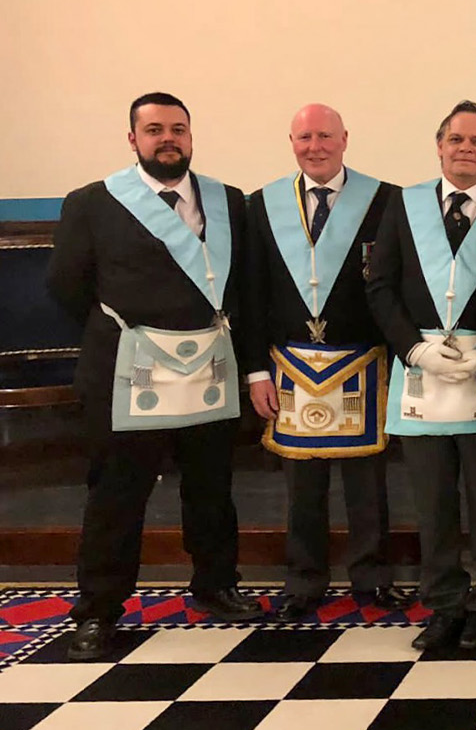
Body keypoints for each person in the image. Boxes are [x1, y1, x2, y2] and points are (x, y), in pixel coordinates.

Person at [48, 92, 261, 660]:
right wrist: (130, 337)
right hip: (128, 368)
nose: (168, 139)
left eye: (179, 129)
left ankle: (217, 584)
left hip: (209, 361)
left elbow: (241, 284)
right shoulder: (92, 203)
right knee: (118, 494)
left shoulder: (228, 201)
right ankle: (97, 609)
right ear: (133, 139)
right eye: (155, 130)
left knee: (212, 486)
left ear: (191, 135)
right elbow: (67, 286)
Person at [366, 100, 476, 652]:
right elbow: (381, 286)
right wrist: (413, 349)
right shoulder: (402, 205)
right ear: (439, 146)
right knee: (433, 502)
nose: (466, 149)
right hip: (422, 371)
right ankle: (443, 604)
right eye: (456, 140)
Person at [243, 103, 411, 620]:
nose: (315, 146)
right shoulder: (261, 206)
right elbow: (249, 294)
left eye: (325, 136)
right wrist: (254, 370)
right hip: (289, 364)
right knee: (302, 487)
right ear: (290, 142)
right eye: (304, 137)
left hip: (363, 360)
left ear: (345, 139)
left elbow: (397, 286)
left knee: (368, 485)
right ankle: (304, 578)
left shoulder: (388, 201)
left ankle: (372, 576)